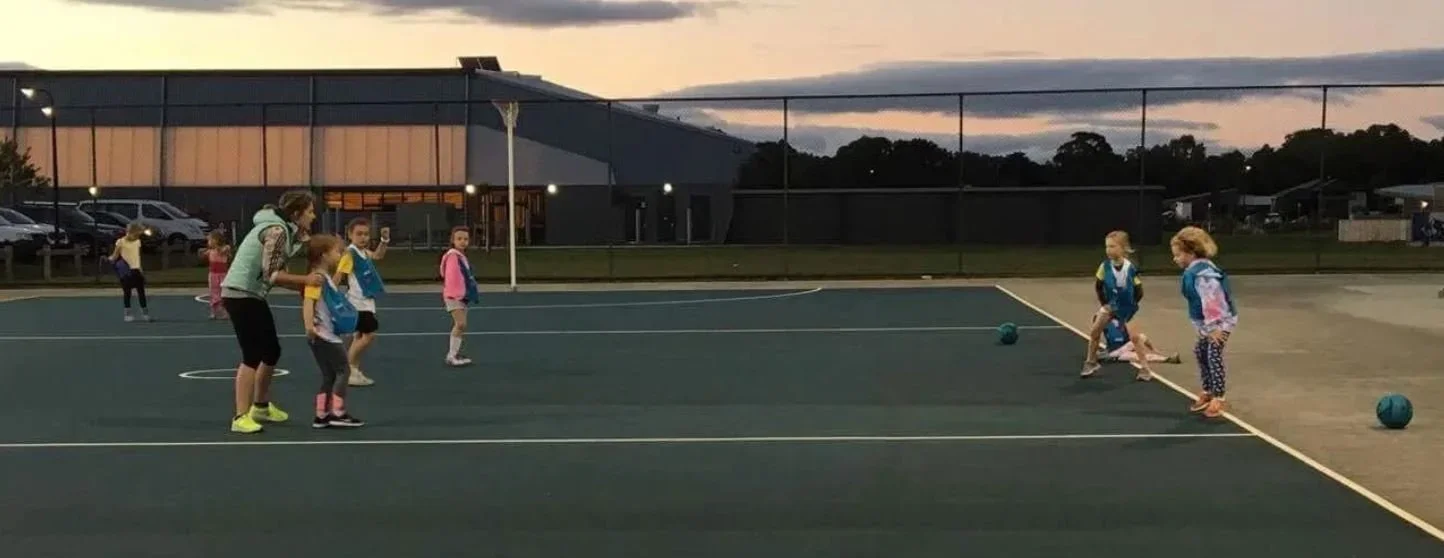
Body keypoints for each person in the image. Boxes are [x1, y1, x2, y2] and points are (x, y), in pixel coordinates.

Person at [220, 190, 322, 434]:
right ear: (296, 214)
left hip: (252, 293)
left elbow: (274, 275)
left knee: (272, 350)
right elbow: (271, 274)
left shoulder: (284, 232)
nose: (313, 216)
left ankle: (261, 406)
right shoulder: (276, 232)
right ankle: (240, 416)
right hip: (240, 294)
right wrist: (306, 279)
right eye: (309, 211)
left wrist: (301, 284)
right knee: (252, 355)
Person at [1171, 226, 1238, 419]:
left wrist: (1215, 327)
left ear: (1190, 253)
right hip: (1207, 323)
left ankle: (1219, 396)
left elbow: (1212, 301)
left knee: (1213, 353)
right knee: (1200, 351)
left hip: (1220, 321)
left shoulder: (1204, 275)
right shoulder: (1194, 271)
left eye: (1177, 255)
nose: (1175, 259)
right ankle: (1208, 390)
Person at [303, 234, 364, 429]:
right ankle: (338, 411)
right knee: (343, 370)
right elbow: (308, 301)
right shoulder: (318, 278)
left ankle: (321, 414)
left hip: (325, 333)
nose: (339, 255)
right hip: (323, 334)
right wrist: (309, 326)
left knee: (329, 375)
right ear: (323, 255)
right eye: (336, 251)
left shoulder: (325, 276)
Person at [1081, 230, 1152, 380]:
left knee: (1135, 338)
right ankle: (1091, 362)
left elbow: (1139, 291)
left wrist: (1131, 307)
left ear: (1123, 248)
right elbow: (1098, 286)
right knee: (1094, 332)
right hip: (1111, 306)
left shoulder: (1130, 268)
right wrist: (1105, 304)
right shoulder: (1104, 266)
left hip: (1127, 307)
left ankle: (1145, 370)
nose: (1108, 250)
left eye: (1112, 246)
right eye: (1107, 246)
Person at [334, 218, 389, 387]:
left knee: (359, 336)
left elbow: (378, 255)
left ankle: (354, 370)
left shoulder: (363, 252)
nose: (363, 237)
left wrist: (384, 241)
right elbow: (338, 276)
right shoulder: (350, 254)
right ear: (350, 235)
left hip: (367, 301)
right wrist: (331, 298)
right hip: (358, 303)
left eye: (366, 234)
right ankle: (348, 369)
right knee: (369, 334)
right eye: (359, 234)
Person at [439, 226, 478, 367]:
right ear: (453, 240)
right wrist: (457, 293)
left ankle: (454, 354)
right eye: (459, 239)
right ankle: (451, 355)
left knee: (461, 326)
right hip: (454, 296)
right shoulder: (452, 256)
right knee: (460, 324)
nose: (463, 241)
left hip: (461, 296)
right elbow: (451, 276)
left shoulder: (461, 257)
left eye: (465, 239)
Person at [1093, 314, 1182, 370]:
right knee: (1140, 356)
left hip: (1124, 348)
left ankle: (1155, 350)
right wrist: (1096, 352)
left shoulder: (1122, 321)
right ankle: (1168, 359)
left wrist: (1135, 346)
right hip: (1115, 352)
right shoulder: (1104, 323)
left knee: (1141, 338)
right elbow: (1095, 336)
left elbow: (1130, 336)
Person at [106, 222, 150, 323]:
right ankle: (128, 314)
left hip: (136, 270)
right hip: (125, 271)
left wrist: (141, 271)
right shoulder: (120, 242)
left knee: (141, 292)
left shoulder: (137, 242)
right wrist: (110, 259)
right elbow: (115, 256)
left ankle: (145, 313)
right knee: (127, 293)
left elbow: (137, 257)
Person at [200, 231, 232, 320]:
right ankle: (214, 311)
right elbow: (202, 257)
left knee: (224, 293)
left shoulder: (226, 248)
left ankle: (225, 312)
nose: (208, 242)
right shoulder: (210, 251)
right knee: (214, 292)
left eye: (210, 240)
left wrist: (215, 246)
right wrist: (202, 254)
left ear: (216, 240)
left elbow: (223, 251)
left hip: (223, 275)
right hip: (213, 275)